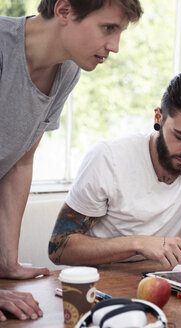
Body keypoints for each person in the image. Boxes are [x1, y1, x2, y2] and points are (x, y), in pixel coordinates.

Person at [0, 0, 142, 322]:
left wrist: (7, 262)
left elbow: (19, 164)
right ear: (64, 10)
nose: (115, 47)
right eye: (108, 28)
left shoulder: (67, 71)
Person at [48, 71, 181, 270]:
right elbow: (59, 248)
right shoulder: (108, 157)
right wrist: (139, 243)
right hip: (103, 282)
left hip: (164, 283)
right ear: (159, 117)